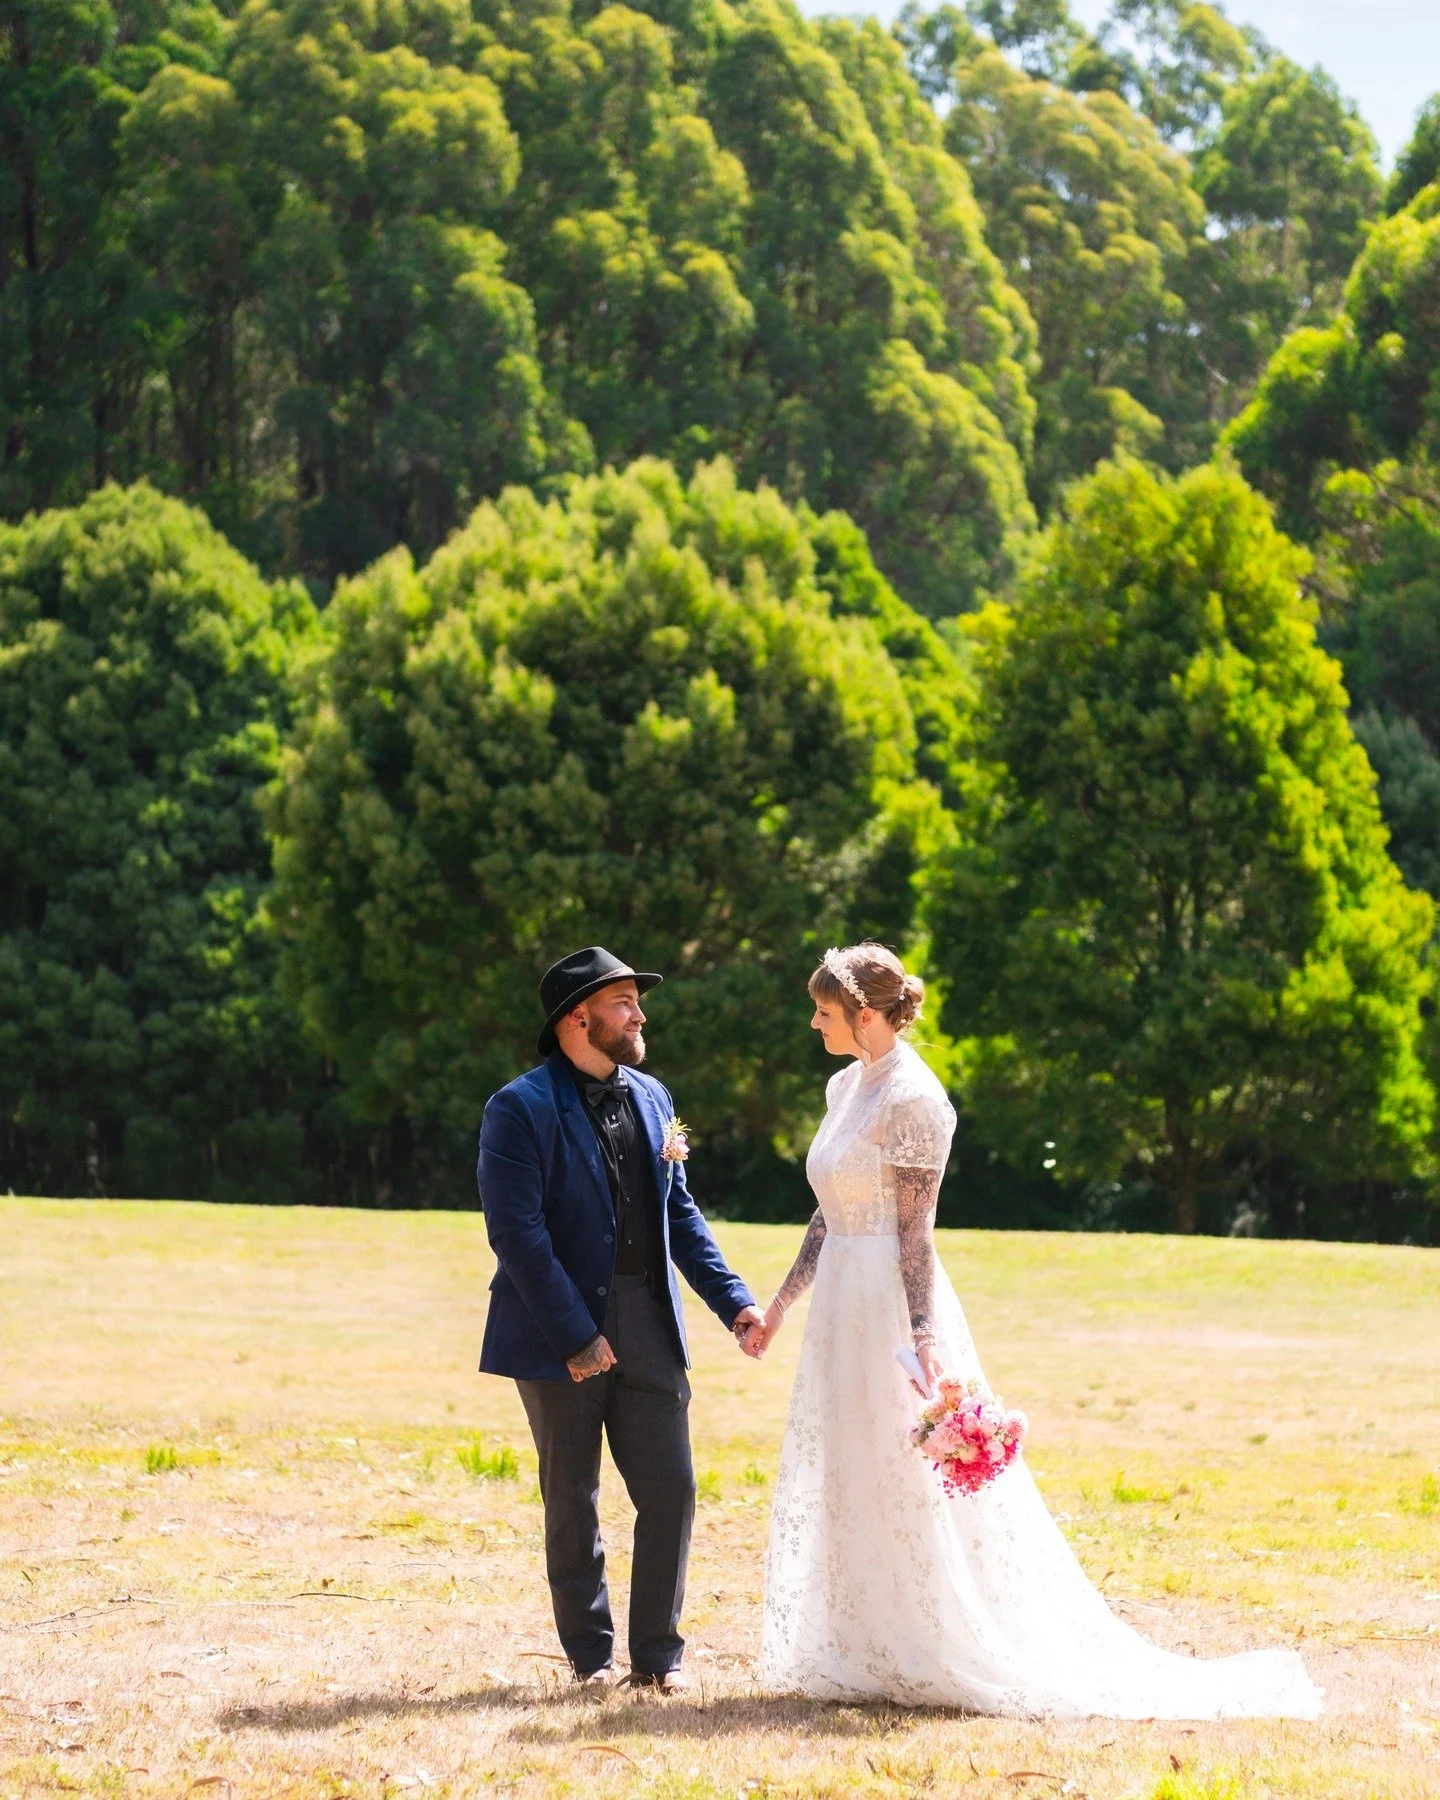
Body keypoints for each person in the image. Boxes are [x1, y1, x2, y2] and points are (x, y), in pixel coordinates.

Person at [744, 941, 1323, 1718]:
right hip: (837, 1307)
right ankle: (863, 1639)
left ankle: (931, 1638)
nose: (814, 1024)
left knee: (907, 1470)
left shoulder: (917, 1101)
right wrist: (782, 1305)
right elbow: (831, 1211)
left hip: (887, 1303)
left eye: (823, 1012)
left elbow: (915, 1233)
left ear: (867, 1015)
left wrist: (922, 1339)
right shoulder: (843, 1085)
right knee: (851, 1465)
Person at [476, 946, 765, 1692]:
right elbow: (517, 1235)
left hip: (649, 1319)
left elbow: (680, 1212)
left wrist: (733, 1300)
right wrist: (577, 1334)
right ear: (579, 1018)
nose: (640, 1015)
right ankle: (591, 1660)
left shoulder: (654, 1097)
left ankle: (658, 1660)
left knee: (672, 1489)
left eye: (637, 1001)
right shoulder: (517, 1109)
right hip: (555, 1325)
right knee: (573, 1499)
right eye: (624, 1002)